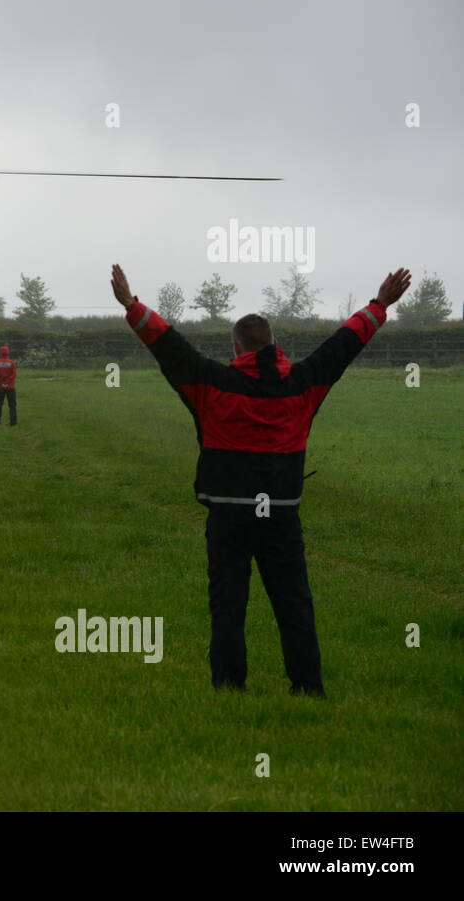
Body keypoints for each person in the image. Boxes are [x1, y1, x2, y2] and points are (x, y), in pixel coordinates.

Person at [110, 264, 412, 697]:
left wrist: (132, 305)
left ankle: (230, 687)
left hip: (228, 516)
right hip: (281, 516)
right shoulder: (302, 384)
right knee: (294, 606)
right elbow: (343, 346)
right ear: (275, 345)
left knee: (228, 606)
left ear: (236, 349)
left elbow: (169, 347)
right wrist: (380, 305)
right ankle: (307, 688)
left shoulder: (211, 384)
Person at [0, 345, 17, 425]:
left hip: (0, 387)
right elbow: (13, 374)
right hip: (10, 387)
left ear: (0, 353)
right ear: (8, 352)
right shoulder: (12, 362)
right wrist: (7, 383)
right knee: (12, 405)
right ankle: (13, 422)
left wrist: (1, 383)